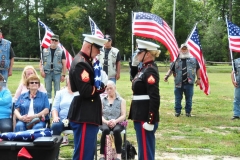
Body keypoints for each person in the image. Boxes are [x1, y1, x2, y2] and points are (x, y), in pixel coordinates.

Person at [68, 34, 108, 160]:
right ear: (89, 46)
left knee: (87, 152)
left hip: (86, 112)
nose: (98, 53)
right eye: (97, 49)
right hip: (84, 113)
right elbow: (86, 91)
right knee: (83, 154)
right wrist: (102, 87)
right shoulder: (81, 64)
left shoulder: (85, 61)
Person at [128, 39, 160, 160]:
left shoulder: (150, 70)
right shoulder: (144, 69)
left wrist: (150, 120)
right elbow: (134, 80)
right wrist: (134, 65)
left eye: (139, 52)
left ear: (147, 54)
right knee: (143, 149)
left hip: (144, 115)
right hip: (139, 113)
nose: (136, 54)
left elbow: (154, 96)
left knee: (146, 152)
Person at [164, 43, 200, 117]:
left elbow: (198, 69)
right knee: (178, 98)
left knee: (189, 99)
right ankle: (177, 112)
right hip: (178, 83)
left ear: (188, 50)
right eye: (182, 49)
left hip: (189, 83)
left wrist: (199, 79)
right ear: (180, 49)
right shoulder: (176, 60)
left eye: (185, 49)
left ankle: (188, 112)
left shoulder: (193, 59)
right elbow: (171, 69)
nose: (184, 50)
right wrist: (167, 76)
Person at [99, 80, 126, 160]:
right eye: (107, 89)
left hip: (118, 122)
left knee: (117, 131)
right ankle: (102, 155)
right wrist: (106, 122)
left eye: (111, 88)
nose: (109, 90)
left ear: (115, 88)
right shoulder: (102, 100)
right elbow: (100, 115)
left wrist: (115, 121)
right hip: (105, 122)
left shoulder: (121, 100)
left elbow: (123, 115)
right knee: (105, 130)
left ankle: (118, 155)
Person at [39, 34, 67, 99]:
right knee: (47, 90)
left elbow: (64, 63)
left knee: (57, 91)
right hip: (47, 73)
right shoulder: (44, 50)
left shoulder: (61, 51)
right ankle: (49, 106)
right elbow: (40, 62)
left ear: (58, 42)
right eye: (53, 40)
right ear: (50, 40)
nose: (54, 41)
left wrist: (63, 75)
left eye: (56, 40)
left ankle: (56, 106)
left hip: (57, 73)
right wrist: (41, 71)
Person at [51, 76, 74, 145]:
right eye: (69, 79)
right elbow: (54, 108)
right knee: (55, 126)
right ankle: (54, 152)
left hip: (75, 120)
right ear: (66, 81)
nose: (71, 81)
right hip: (62, 119)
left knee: (80, 127)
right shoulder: (60, 93)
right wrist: (55, 117)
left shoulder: (79, 93)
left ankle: (78, 154)